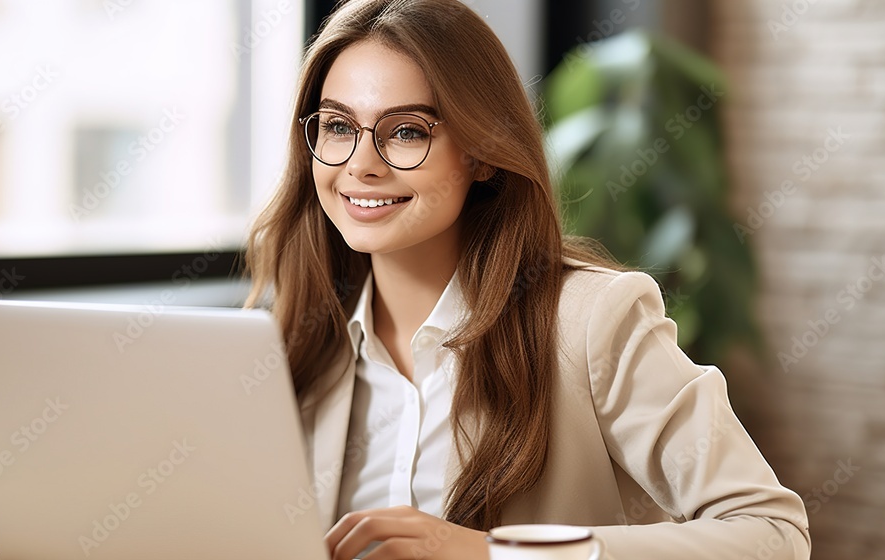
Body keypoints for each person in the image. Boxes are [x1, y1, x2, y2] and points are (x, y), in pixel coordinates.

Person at [244, 0, 810, 558]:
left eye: (407, 132)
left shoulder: (593, 322)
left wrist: (497, 553)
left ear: (482, 153)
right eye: (339, 126)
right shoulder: (295, 338)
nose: (360, 164)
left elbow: (772, 532)